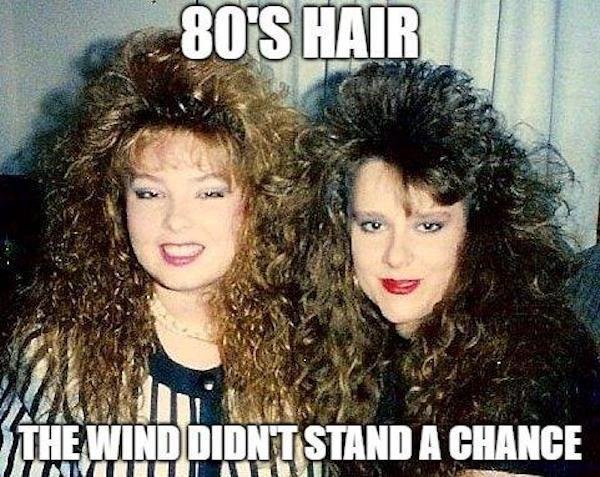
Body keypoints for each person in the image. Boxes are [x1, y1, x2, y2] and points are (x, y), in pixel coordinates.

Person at [0, 29, 324, 476]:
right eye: (150, 193)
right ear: (115, 204)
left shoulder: (310, 347)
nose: (176, 221)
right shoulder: (54, 356)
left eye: (209, 193)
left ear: (256, 202)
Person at [297, 60, 599, 476]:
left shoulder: (531, 371)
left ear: (477, 233)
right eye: (373, 225)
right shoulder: (363, 345)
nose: (396, 256)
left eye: (428, 226)